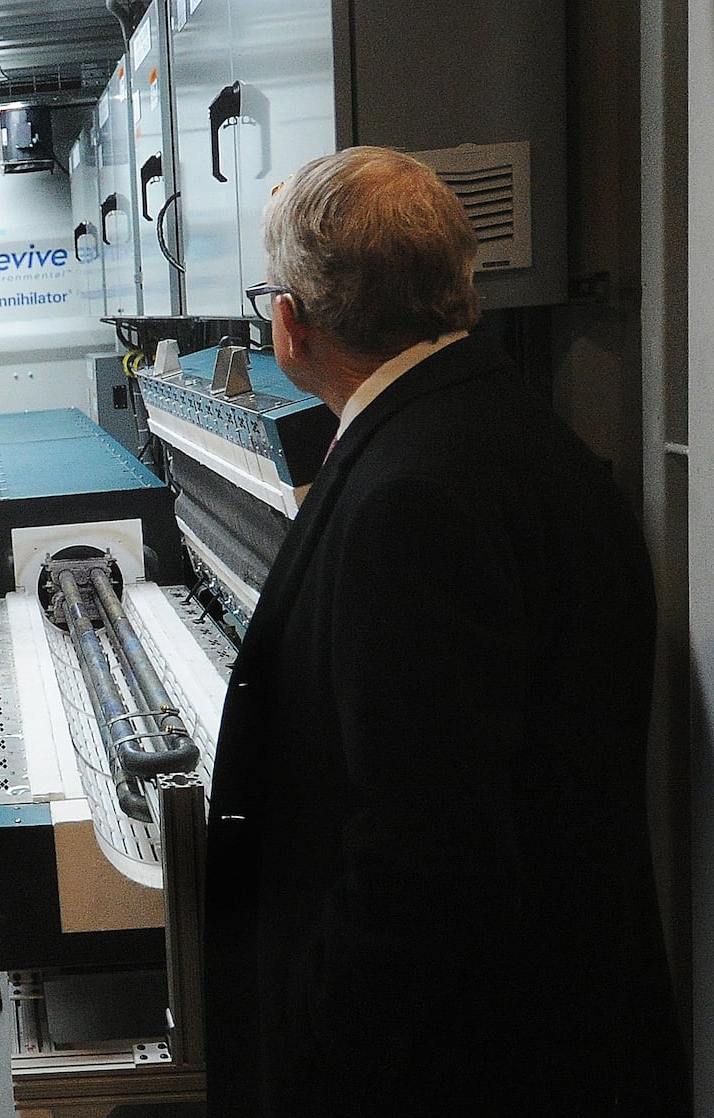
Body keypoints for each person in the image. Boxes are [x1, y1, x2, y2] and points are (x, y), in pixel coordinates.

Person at [204, 146, 688, 1115]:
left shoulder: (409, 500)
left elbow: (424, 862)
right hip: (557, 1025)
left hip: (457, 1063)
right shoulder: (503, 426)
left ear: (289, 322)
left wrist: (307, 1047)